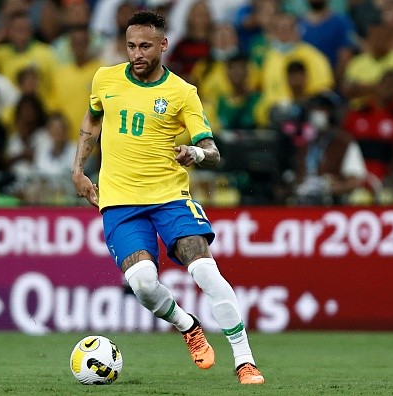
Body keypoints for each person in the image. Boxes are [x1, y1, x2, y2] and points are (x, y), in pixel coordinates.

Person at [71, 11, 265, 385]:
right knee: (143, 283)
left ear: (163, 44)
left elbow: (213, 151)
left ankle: (244, 360)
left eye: (145, 46)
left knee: (204, 269)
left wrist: (194, 154)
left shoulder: (181, 92)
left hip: (169, 197)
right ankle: (187, 326)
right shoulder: (105, 79)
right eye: (131, 45)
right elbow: (93, 120)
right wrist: (78, 170)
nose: (136, 53)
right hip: (120, 202)